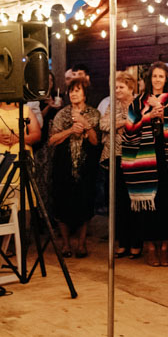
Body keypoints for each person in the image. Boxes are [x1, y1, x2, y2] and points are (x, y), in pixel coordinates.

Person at [122, 63, 168, 266]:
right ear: (149, 79)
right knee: (149, 206)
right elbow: (129, 130)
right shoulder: (138, 101)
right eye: (155, 76)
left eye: (161, 76)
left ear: (166, 79)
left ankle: (165, 247)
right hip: (144, 158)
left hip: (167, 156)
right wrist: (148, 115)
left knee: (166, 202)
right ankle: (150, 247)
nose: (158, 80)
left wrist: (163, 115)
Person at [49, 72, 100, 256]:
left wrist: (85, 124)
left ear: (85, 93)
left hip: (86, 164)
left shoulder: (94, 113)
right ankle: (65, 244)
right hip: (64, 164)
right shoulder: (62, 114)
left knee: (85, 202)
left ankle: (81, 243)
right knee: (62, 203)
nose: (73, 94)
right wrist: (70, 130)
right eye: (71, 91)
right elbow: (52, 140)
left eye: (77, 91)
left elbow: (95, 141)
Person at [100, 70, 139, 257]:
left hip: (135, 158)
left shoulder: (138, 104)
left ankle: (135, 244)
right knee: (119, 202)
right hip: (115, 156)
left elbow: (139, 126)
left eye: (121, 87)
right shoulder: (112, 104)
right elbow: (103, 125)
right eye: (115, 87)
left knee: (134, 201)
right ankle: (122, 243)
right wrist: (123, 122)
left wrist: (120, 124)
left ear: (130, 87)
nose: (117, 90)